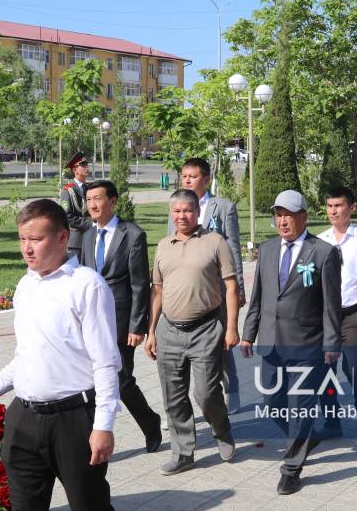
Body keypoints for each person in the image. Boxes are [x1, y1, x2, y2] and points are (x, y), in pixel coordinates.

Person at [0, 199, 126, 511]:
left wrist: (103, 425)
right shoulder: (25, 286)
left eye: (36, 239)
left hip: (74, 421)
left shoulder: (86, 286)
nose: (27, 248)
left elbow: (106, 363)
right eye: (22, 239)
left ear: (62, 238)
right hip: (24, 420)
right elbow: (27, 355)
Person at [240, 189, 342, 495]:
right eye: (278, 215)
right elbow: (258, 297)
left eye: (288, 215)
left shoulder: (323, 252)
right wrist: (248, 333)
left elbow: (331, 306)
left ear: (304, 217)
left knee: (301, 407)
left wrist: (331, 344)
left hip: (307, 344)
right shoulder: (268, 249)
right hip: (271, 341)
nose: (282, 221)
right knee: (272, 403)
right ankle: (304, 437)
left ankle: (291, 469)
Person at [146, 189, 238, 475]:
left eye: (187, 210)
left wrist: (231, 328)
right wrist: (151, 331)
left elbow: (231, 286)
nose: (182, 216)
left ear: (198, 212)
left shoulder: (215, 241)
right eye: (177, 211)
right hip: (169, 330)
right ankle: (183, 453)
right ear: (171, 214)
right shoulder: (164, 245)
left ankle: (221, 428)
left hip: (206, 328)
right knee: (173, 396)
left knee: (206, 393)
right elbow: (157, 291)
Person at [81, 180, 162, 453]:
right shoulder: (87, 235)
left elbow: (139, 284)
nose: (92, 204)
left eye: (97, 198)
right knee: (91, 380)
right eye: (88, 199)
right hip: (91, 321)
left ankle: (150, 423)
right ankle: (90, 437)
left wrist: (137, 326)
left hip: (121, 322)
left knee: (122, 379)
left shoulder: (132, 235)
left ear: (113, 201)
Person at [167, 157, 246, 412]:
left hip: (217, 290)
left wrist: (239, 287)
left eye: (193, 176)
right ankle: (182, 405)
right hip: (187, 291)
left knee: (222, 343)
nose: (187, 180)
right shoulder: (177, 205)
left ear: (207, 179)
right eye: (184, 176)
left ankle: (231, 389)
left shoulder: (222, 207)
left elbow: (233, 248)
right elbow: (170, 244)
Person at [318, 186, 357, 436]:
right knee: (325, 372)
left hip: (354, 314)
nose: (333, 211)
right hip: (326, 318)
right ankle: (332, 422)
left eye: (339, 206)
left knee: (352, 367)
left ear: (351, 208)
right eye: (330, 206)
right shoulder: (320, 241)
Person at [59, 151, 93, 260]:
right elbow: (67, 217)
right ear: (74, 170)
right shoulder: (67, 191)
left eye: (86, 165)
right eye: (83, 165)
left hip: (91, 239)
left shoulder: (90, 188)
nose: (86, 167)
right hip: (76, 242)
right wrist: (90, 223)